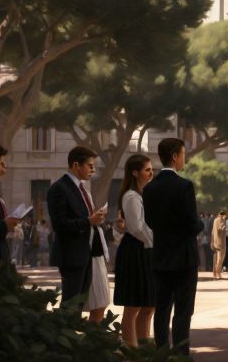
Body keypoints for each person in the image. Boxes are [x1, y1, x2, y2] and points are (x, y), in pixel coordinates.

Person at [145, 138, 202, 354]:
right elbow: (191, 221)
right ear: (175, 157)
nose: (184, 158)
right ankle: (180, 353)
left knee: (161, 309)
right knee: (183, 310)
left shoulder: (150, 188)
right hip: (184, 256)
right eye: (183, 154)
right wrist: (199, 226)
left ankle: (160, 351)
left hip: (160, 254)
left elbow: (149, 220)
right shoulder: (184, 185)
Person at [47, 146, 106, 314]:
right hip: (71, 255)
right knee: (71, 304)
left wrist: (94, 219)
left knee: (79, 305)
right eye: (90, 165)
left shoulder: (81, 189)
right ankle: (64, 338)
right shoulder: (59, 189)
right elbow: (60, 224)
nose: (93, 170)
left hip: (85, 253)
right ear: (76, 165)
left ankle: (72, 337)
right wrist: (88, 221)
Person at [114, 154, 157, 348]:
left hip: (146, 250)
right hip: (135, 251)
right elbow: (137, 228)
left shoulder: (143, 194)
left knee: (149, 304)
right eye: (147, 170)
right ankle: (132, 350)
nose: (151, 173)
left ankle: (144, 346)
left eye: (151, 169)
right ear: (135, 172)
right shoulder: (131, 196)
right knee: (133, 305)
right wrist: (158, 241)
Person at [211, 210, 228, 279]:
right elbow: (221, 229)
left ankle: (214, 273)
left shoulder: (215, 220)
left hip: (215, 242)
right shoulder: (221, 220)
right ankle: (218, 273)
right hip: (221, 242)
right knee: (220, 258)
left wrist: (211, 242)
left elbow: (212, 232)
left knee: (215, 258)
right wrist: (224, 223)